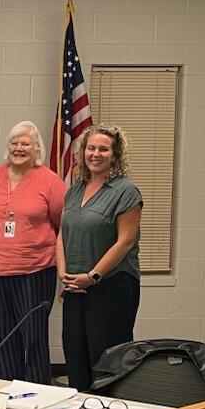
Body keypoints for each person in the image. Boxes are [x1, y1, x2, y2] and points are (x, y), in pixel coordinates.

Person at [57, 124, 143, 391]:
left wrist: (92, 276)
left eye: (103, 149)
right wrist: (63, 273)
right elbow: (62, 233)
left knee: (106, 361)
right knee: (75, 355)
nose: (96, 154)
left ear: (115, 155)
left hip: (111, 286)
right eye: (91, 148)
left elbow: (125, 241)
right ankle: (81, 408)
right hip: (75, 286)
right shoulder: (74, 189)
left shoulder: (126, 191)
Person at [0, 121, 66, 384]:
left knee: (33, 335)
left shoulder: (50, 181)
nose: (19, 148)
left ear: (37, 148)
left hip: (34, 270)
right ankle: (7, 384)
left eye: (25, 144)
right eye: (14, 143)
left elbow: (62, 224)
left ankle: (38, 388)